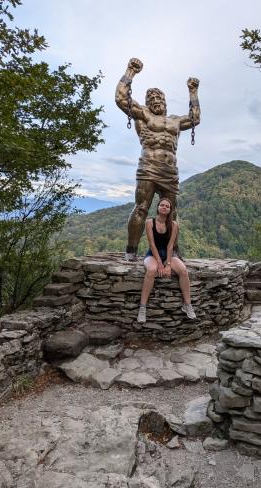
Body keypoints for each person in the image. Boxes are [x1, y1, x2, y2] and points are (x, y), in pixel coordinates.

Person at [115, 57, 201, 261]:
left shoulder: (175, 121)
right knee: (141, 208)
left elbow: (195, 118)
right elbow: (121, 98)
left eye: (159, 97)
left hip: (170, 171)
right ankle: (131, 251)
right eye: (151, 98)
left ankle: (173, 251)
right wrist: (130, 71)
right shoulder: (143, 115)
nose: (155, 100)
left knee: (172, 212)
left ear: (165, 101)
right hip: (148, 166)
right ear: (147, 103)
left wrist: (193, 91)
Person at [137, 197, 196, 323]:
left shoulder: (174, 225)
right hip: (152, 254)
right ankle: (142, 308)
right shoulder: (149, 222)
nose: (164, 207)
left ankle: (187, 305)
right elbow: (152, 245)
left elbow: (170, 246)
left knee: (183, 270)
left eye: (167, 206)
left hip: (168, 254)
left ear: (170, 210)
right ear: (158, 207)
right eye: (162, 205)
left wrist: (168, 264)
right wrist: (159, 264)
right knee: (151, 270)